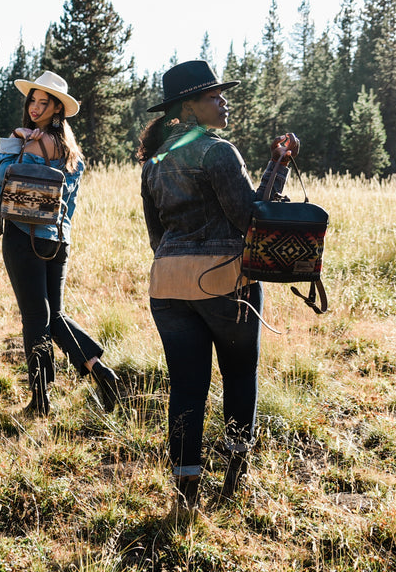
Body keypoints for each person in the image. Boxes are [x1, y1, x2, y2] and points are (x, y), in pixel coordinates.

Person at [137, 60, 300, 516]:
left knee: (186, 386)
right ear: (188, 107)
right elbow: (251, 218)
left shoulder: (155, 160)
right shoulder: (218, 152)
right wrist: (278, 167)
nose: (223, 100)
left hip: (167, 285)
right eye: (213, 95)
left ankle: (186, 489)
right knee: (239, 374)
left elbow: (156, 236)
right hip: (226, 282)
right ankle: (233, 475)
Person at [0, 71, 121, 417]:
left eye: (43, 102)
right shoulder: (70, 150)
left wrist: (13, 142)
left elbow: (3, 178)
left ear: (57, 108)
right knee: (54, 315)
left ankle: (41, 399)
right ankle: (98, 370)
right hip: (58, 239)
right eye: (32, 100)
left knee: (35, 317)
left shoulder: (32, 143)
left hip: (24, 235)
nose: (35, 107)